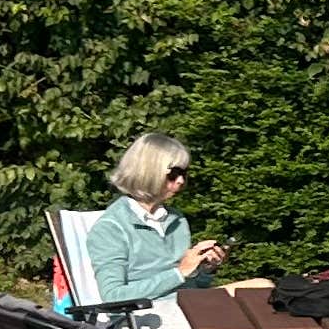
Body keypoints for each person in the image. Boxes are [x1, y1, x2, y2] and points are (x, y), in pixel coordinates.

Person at [80, 132, 224, 316]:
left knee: (262, 290)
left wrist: (205, 270)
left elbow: (193, 287)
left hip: (185, 308)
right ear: (148, 171)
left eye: (184, 173)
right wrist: (179, 272)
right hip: (143, 319)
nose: (181, 181)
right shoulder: (111, 227)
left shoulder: (176, 221)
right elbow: (113, 297)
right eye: (173, 174)